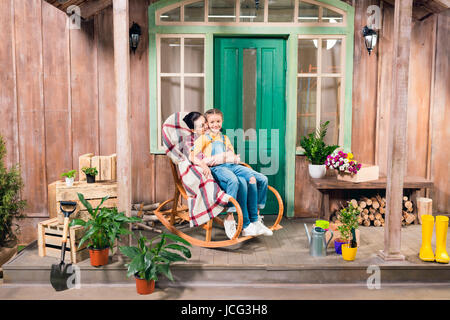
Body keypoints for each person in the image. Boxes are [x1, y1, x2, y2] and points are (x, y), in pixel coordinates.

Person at [192, 108, 272, 238]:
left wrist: (231, 156)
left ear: (222, 122)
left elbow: (231, 155)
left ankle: (255, 218)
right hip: (218, 168)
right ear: (207, 123)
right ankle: (230, 217)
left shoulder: (225, 138)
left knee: (259, 179)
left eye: (218, 121)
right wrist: (203, 164)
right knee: (237, 181)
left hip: (232, 165)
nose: (215, 124)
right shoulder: (203, 138)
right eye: (212, 122)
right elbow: (192, 156)